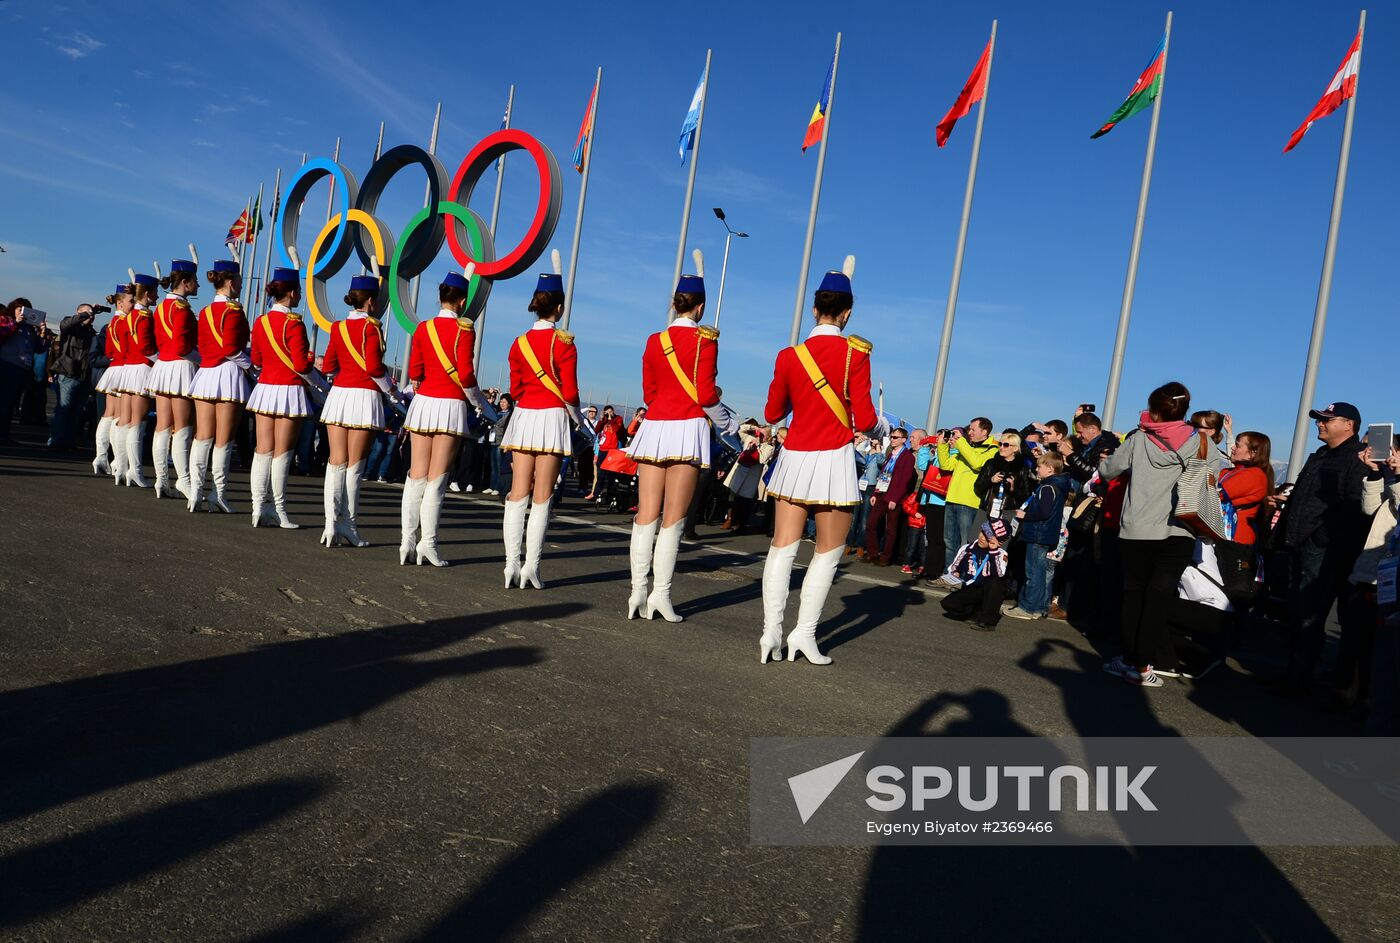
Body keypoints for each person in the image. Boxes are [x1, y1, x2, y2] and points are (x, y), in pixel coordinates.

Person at [759, 261, 886, 665]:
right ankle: (804, 636)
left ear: (815, 310)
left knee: (782, 549)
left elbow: (773, 412)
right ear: (847, 313)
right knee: (828, 553)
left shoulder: (789, 355)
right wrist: (878, 423)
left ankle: (770, 635)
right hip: (833, 458)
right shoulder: (855, 354)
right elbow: (866, 420)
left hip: (795, 457)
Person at [623, 263, 735, 622]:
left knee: (645, 515)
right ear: (700, 308)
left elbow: (649, 392)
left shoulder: (654, 341)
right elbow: (705, 394)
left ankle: (637, 591)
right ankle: (660, 595)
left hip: (655, 427)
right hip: (687, 428)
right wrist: (728, 424)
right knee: (673, 519)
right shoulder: (705, 341)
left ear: (676, 304)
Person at [1099, 381, 1223, 686]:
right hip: (1180, 528)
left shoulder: (1140, 438)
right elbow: (1215, 476)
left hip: (1138, 529)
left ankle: (1129, 660)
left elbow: (1108, 471)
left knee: (1133, 595)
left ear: (1154, 409)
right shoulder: (1201, 442)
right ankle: (1145, 666)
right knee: (1158, 598)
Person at [1269, 401, 1369, 698]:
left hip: (1324, 550)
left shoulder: (1356, 458)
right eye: (1319, 419)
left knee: (1310, 614)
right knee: (1297, 611)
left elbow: (1354, 505)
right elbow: (1305, 497)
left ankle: (1299, 679)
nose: (1320, 424)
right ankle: (1293, 673)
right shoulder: (1322, 455)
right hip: (1299, 543)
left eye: (1327, 419)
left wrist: (1320, 537)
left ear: (1348, 424)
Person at [400, 271, 495, 566]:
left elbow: (415, 371)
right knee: (437, 480)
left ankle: (406, 543)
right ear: (463, 300)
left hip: (424, 402)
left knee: (416, 475)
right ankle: (428, 544)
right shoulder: (465, 330)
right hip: (450, 404)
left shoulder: (423, 328)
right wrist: (481, 404)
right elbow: (465, 375)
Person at [499, 269, 580, 588]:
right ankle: (531, 567)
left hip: (525, 417)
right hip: (551, 418)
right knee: (543, 496)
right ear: (558, 308)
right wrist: (575, 417)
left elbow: (515, 388)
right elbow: (571, 393)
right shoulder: (565, 344)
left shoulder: (519, 344)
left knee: (517, 492)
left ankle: (510, 566)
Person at [319, 274, 393, 547]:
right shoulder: (372, 328)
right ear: (371, 302)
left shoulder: (337, 327)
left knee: (335, 462)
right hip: (364, 398)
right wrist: (391, 391)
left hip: (339, 395)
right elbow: (375, 367)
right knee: (354, 466)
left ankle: (329, 526)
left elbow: (328, 366)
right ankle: (348, 525)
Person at [246, 267, 314, 529]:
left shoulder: (260, 322)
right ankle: (279, 509)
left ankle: (257, 508)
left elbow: (257, 360)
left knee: (262, 451)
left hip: (265, 389)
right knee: (282, 454)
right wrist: (308, 359)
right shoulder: (295, 323)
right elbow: (300, 363)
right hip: (288, 390)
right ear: (293, 292)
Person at [187, 260, 251, 513]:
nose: (241, 285)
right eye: (239, 280)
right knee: (224, 440)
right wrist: (250, 366)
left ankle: (195, 493)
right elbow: (231, 349)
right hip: (227, 375)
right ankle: (218, 493)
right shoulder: (234, 312)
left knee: (202, 436)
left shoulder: (204, 311)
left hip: (206, 373)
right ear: (231, 281)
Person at [148, 262, 201, 499]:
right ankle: (184, 480)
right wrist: (202, 359)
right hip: (180, 368)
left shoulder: (161, 307)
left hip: (163, 367)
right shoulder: (181, 309)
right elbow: (181, 347)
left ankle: (161, 480)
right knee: (182, 428)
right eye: (195, 281)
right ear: (185, 282)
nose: (198, 284)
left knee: (162, 426)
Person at [1005, 451, 1072, 619]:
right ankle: (1040, 607)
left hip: (1038, 534)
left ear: (1049, 469)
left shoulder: (1048, 487)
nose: (1037, 469)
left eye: (1039, 466)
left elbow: (1044, 512)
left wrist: (1024, 516)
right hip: (1045, 534)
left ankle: (1028, 608)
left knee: (1033, 573)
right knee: (1040, 573)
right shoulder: (1057, 486)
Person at [111, 275, 158, 487]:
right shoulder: (144, 316)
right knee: (137, 423)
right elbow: (147, 348)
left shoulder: (130, 316)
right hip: (140, 369)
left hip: (130, 368)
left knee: (126, 420)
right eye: (155, 292)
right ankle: (134, 470)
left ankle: (121, 467)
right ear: (148, 294)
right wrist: (163, 361)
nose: (157, 296)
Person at [936, 418, 998, 571]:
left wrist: (961, 442)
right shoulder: (966, 447)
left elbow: (977, 463)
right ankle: (949, 573)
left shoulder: (992, 449)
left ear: (984, 432)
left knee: (966, 543)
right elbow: (946, 465)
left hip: (969, 503)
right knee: (949, 541)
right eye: (968, 430)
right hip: (952, 499)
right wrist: (942, 445)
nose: (969, 433)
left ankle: (963, 575)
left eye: (973, 430)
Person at [940, 519, 1014, 630]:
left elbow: (999, 574)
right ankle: (975, 613)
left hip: (988, 590)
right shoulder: (967, 549)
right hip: (971, 587)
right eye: (982, 533)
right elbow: (954, 567)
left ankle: (988, 621)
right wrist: (956, 573)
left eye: (988, 537)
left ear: (999, 542)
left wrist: (993, 552)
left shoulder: (1001, 554)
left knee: (995, 582)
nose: (982, 538)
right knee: (948, 603)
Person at [48, 303, 97, 451]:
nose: (91, 316)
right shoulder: (71, 327)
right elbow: (64, 325)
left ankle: (69, 441)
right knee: (64, 410)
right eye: (87, 313)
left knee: (76, 412)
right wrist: (85, 314)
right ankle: (55, 441)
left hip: (83, 377)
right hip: (68, 374)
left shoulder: (92, 334)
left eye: (92, 314)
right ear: (78, 313)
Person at [863, 428, 915, 566]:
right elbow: (882, 474)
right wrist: (875, 493)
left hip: (894, 497)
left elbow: (905, 480)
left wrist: (895, 498)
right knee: (871, 524)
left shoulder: (908, 457)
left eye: (895, 437)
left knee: (890, 528)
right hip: (882, 493)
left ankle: (886, 557)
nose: (892, 439)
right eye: (891, 437)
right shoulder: (890, 454)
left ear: (904, 440)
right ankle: (873, 553)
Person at [91, 296, 128, 474]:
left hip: (113, 370)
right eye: (131, 301)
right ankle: (119, 462)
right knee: (119, 417)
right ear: (120, 303)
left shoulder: (113, 322)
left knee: (109, 416)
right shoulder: (123, 323)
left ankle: (101, 456)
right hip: (122, 370)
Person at [972, 431, 1032, 526]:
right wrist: (991, 480)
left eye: (1006, 445)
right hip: (986, 510)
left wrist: (1013, 488)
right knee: (976, 540)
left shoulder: (1022, 469)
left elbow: (1026, 496)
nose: (1001, 447)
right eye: (1000, 444)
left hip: (1008, 514)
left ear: (1015, 448)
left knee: (1000, 541)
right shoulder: (991, 464)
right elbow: (977, 487)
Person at [486, 392, 514, 495]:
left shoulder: (509, 414)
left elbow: (499, 424)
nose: (502, 403)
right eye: (501, 401)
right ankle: (491, 486)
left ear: (509, 403)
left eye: (504, 402)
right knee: (493, 466)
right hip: (493, 441)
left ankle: (498, 487)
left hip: (500, 442)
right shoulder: (496, 412)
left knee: (499, 465)